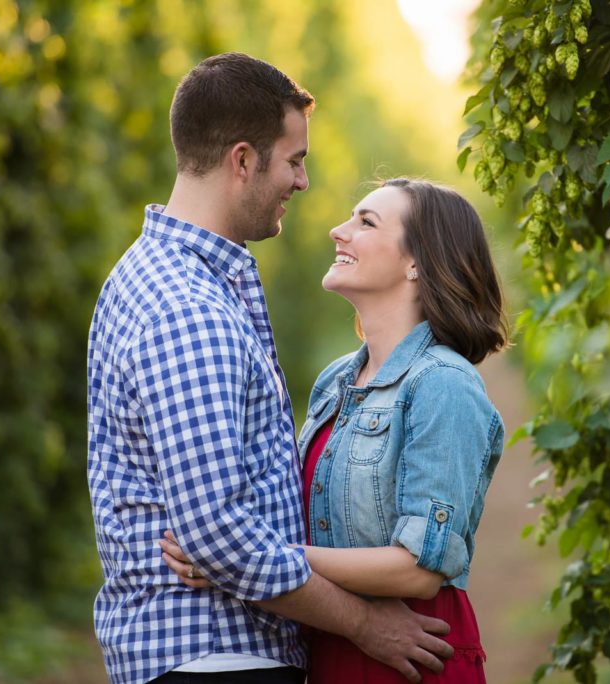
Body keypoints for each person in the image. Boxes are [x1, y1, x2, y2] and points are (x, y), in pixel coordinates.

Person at [87, 54, 452, 684]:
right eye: (294, 160)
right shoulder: (186, 310)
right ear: (243, 161)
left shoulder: (165, 280)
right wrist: (365, 625)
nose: (303, 182)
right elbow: (218, 537)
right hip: (215, 659)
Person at [160, 177, 508, 682]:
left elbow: (420, 568)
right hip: (333, 645)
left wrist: (251, 559)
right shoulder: (336, 381)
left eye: (365, 222)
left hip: (416, 651)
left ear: (417, 263)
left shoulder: (445, 385)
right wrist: (222, 555)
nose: (337, 231)